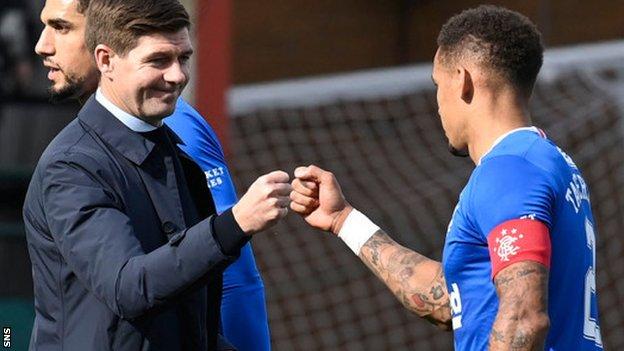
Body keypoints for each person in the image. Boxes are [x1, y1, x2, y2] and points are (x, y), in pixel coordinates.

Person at [290, 5, 603, 351]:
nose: (438, 102)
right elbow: (449, 302)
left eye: (438, 84)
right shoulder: (545, 162)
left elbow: (523, 319)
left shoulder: (509, 171)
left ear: (462, 79)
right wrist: (343, 220)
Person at [23, 0, 290, 350]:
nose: (177, 75)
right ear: (106, 60)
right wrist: (235, 223)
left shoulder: (176, 143)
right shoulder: (72, 165)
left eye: (183, 58)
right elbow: (128, 288)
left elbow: (208, 302)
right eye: (159, 60)